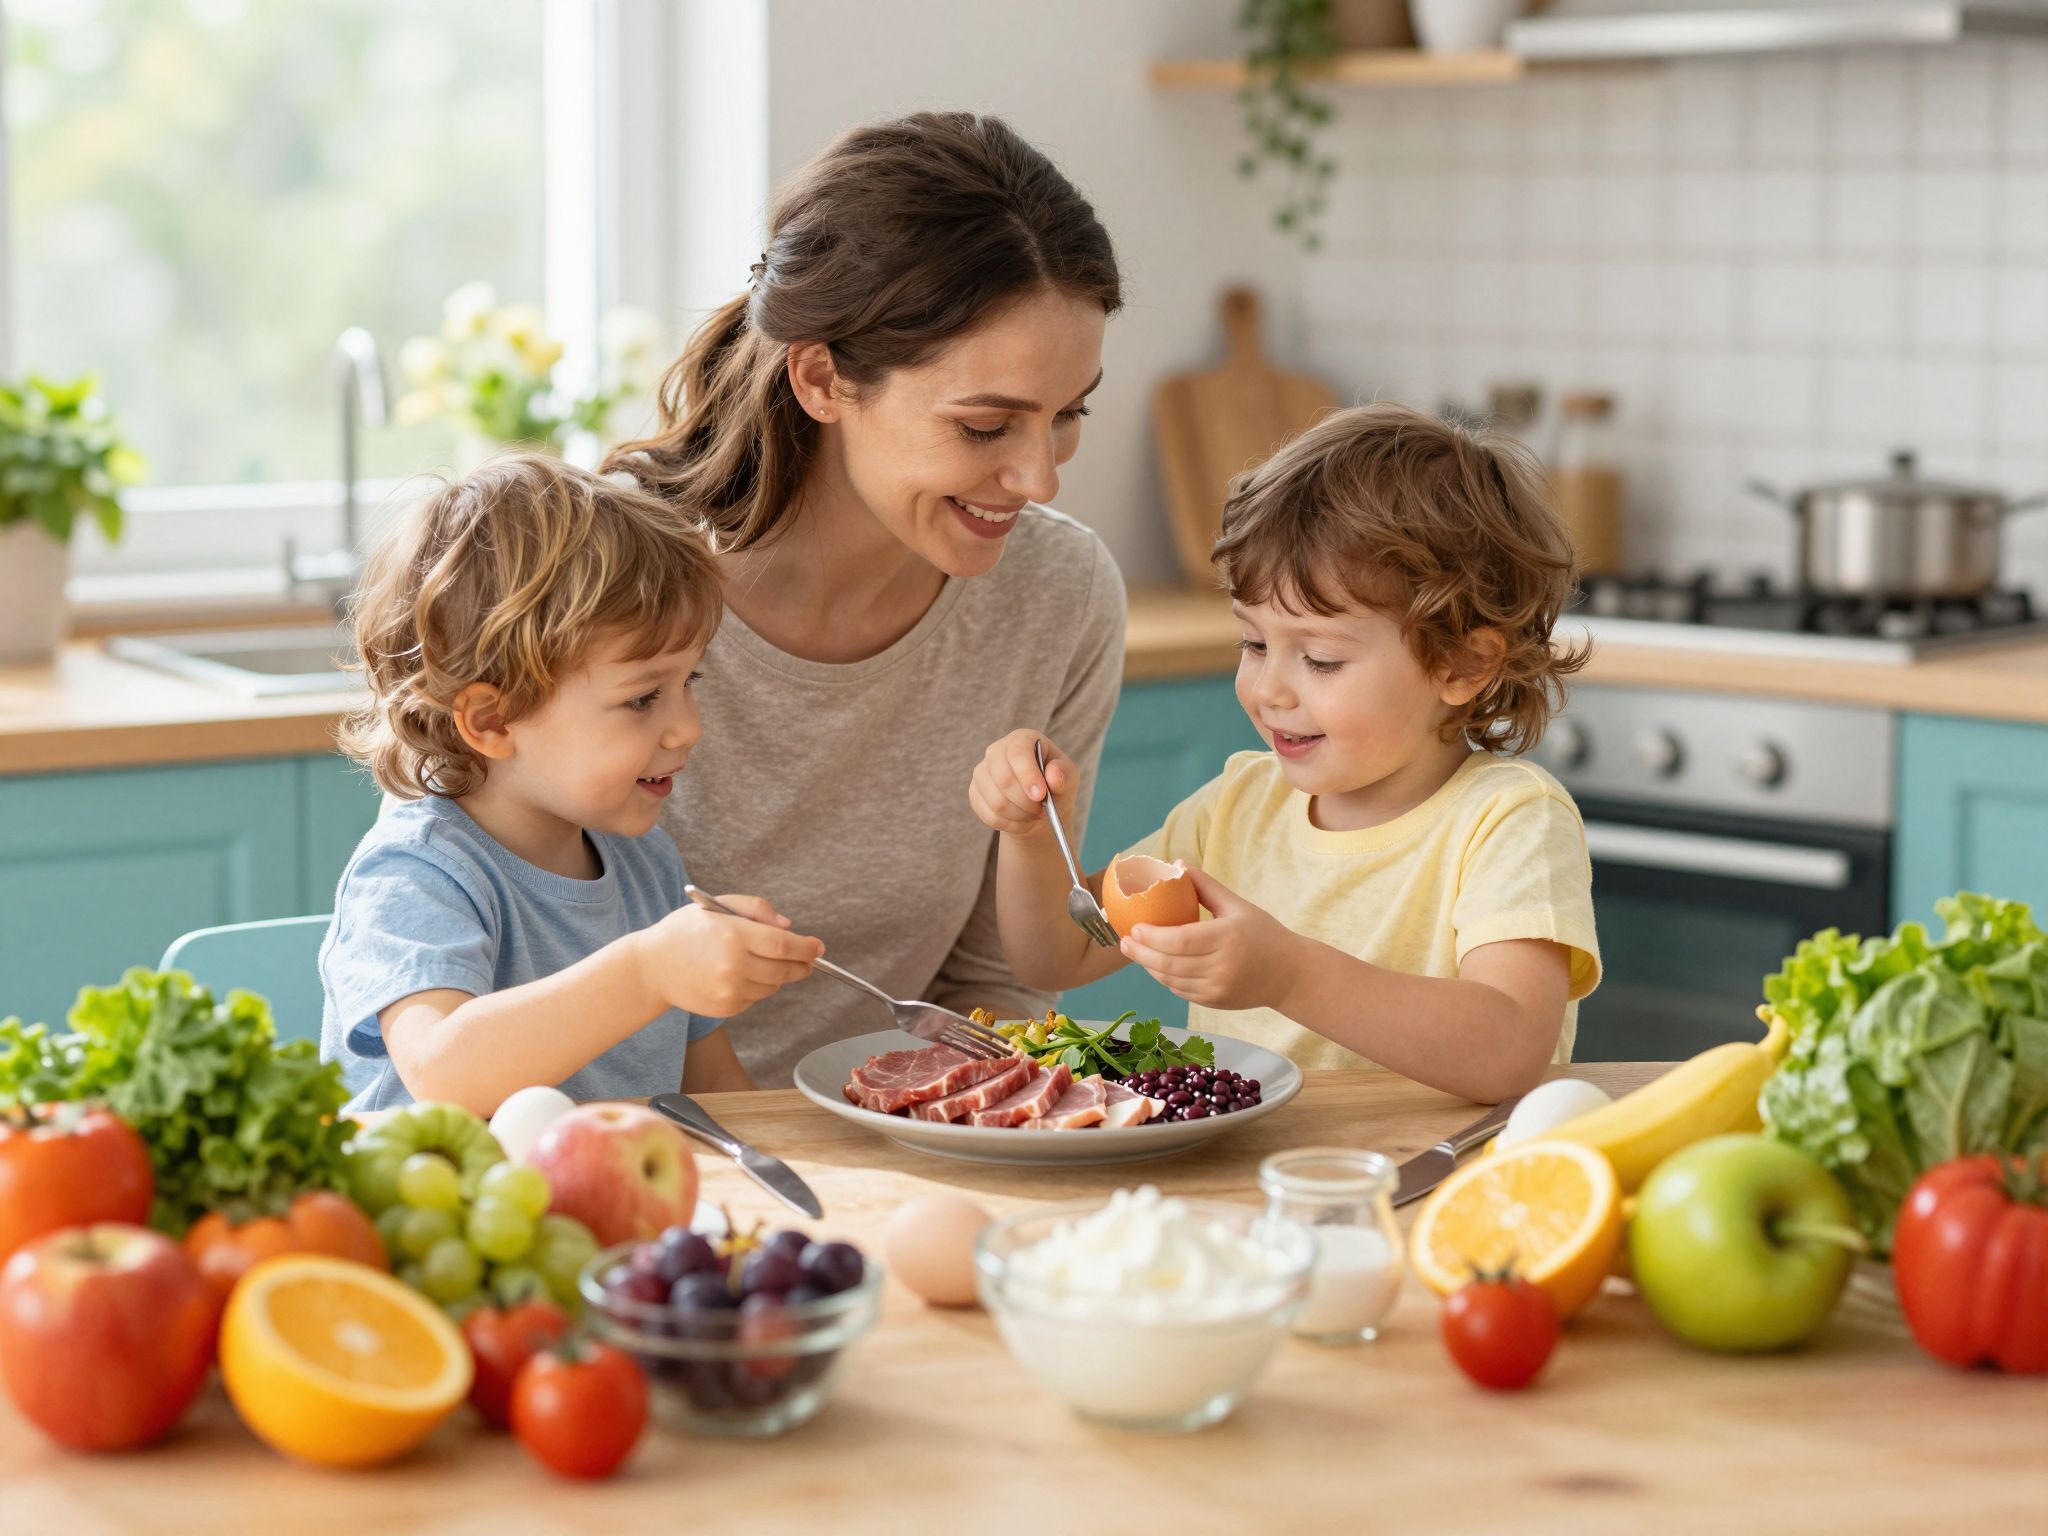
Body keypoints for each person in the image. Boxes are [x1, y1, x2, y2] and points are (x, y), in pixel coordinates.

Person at [608, 112, 1126, 1087]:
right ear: (820, 377)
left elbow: (994, 984)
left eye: (1068, 415)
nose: (1039, 479)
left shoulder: (1056, 595)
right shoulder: (602, 583)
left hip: (881, 1153)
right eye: (984, 427)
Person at [971, 404, 1602, 1104]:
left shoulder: (1509, 821)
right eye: (1254, 643)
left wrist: (1290, 976)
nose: (1269, 688)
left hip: (1442, 1185)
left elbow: (1508, 1052)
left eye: (1321, 660)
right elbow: (1053, 955)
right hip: (1254, 1185)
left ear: (1461, 664)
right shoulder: (1241, 804)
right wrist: (1030, 837)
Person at [319, 454, 823, 1114]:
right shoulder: (416, 875)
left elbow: (721, 1097)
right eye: (645, 698)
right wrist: (649, 971)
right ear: (493, 720)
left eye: (687, 683)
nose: (687, 729)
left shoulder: (647, 866)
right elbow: (444, 1073)